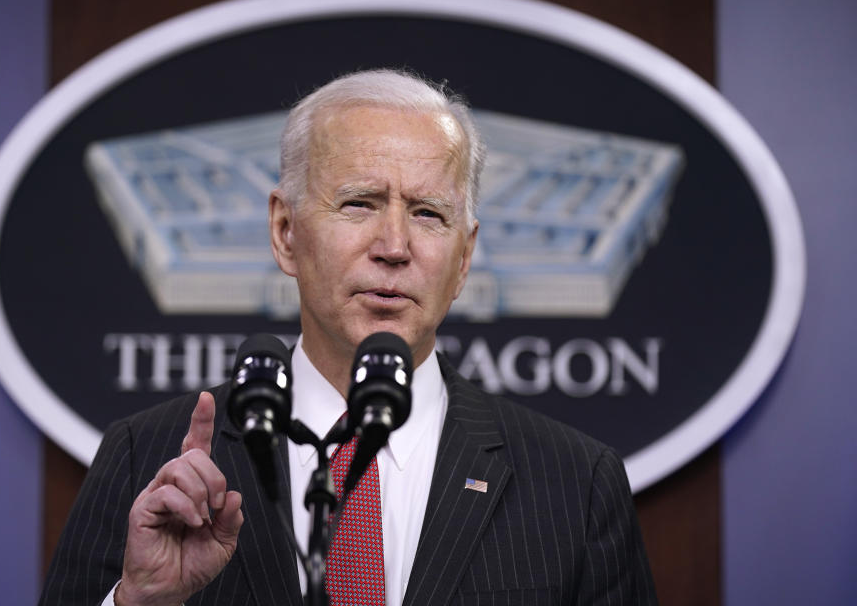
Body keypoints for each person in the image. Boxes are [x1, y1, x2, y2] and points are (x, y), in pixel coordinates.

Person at [40, 69, 657, 605]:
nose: (394, 248)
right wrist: (141, 605)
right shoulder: (143, 459)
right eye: (359, 204)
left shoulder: (575, 484)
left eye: (428, 214)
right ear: (285, 231)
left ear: (464, 258)